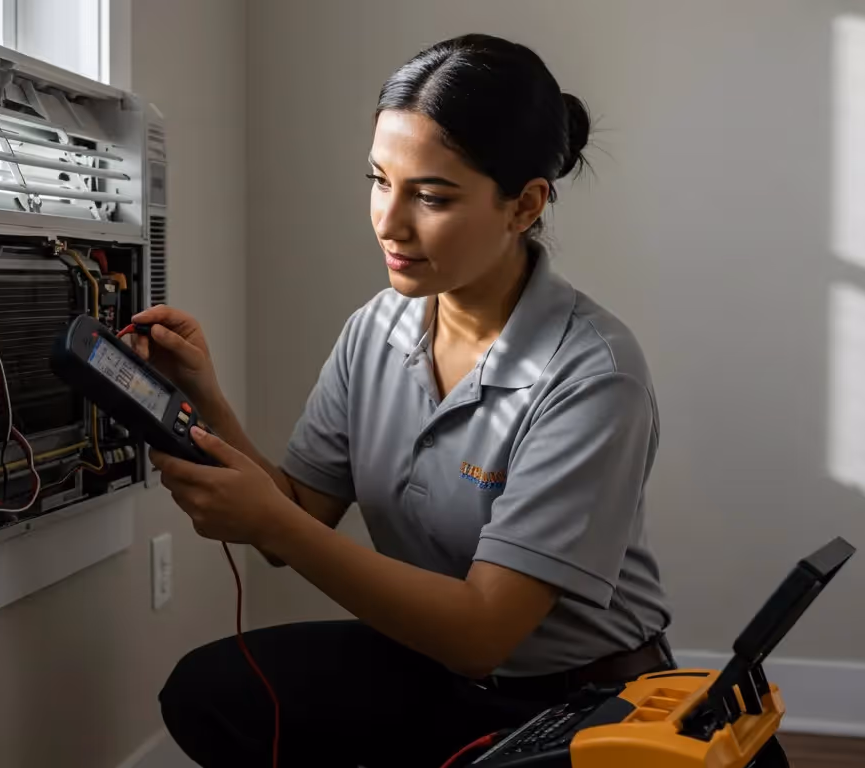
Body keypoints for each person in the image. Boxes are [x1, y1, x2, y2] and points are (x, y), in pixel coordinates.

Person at [132, 33, 672, 768]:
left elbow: (483, 631)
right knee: (209, 693)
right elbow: (297, 512)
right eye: (380, 180)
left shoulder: (593, 374)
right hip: (435, 668)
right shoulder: (375, 330)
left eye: (432, 195)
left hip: (574, 699)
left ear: (524, 205)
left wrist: (272, 523)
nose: (389, 221)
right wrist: (206, 396)